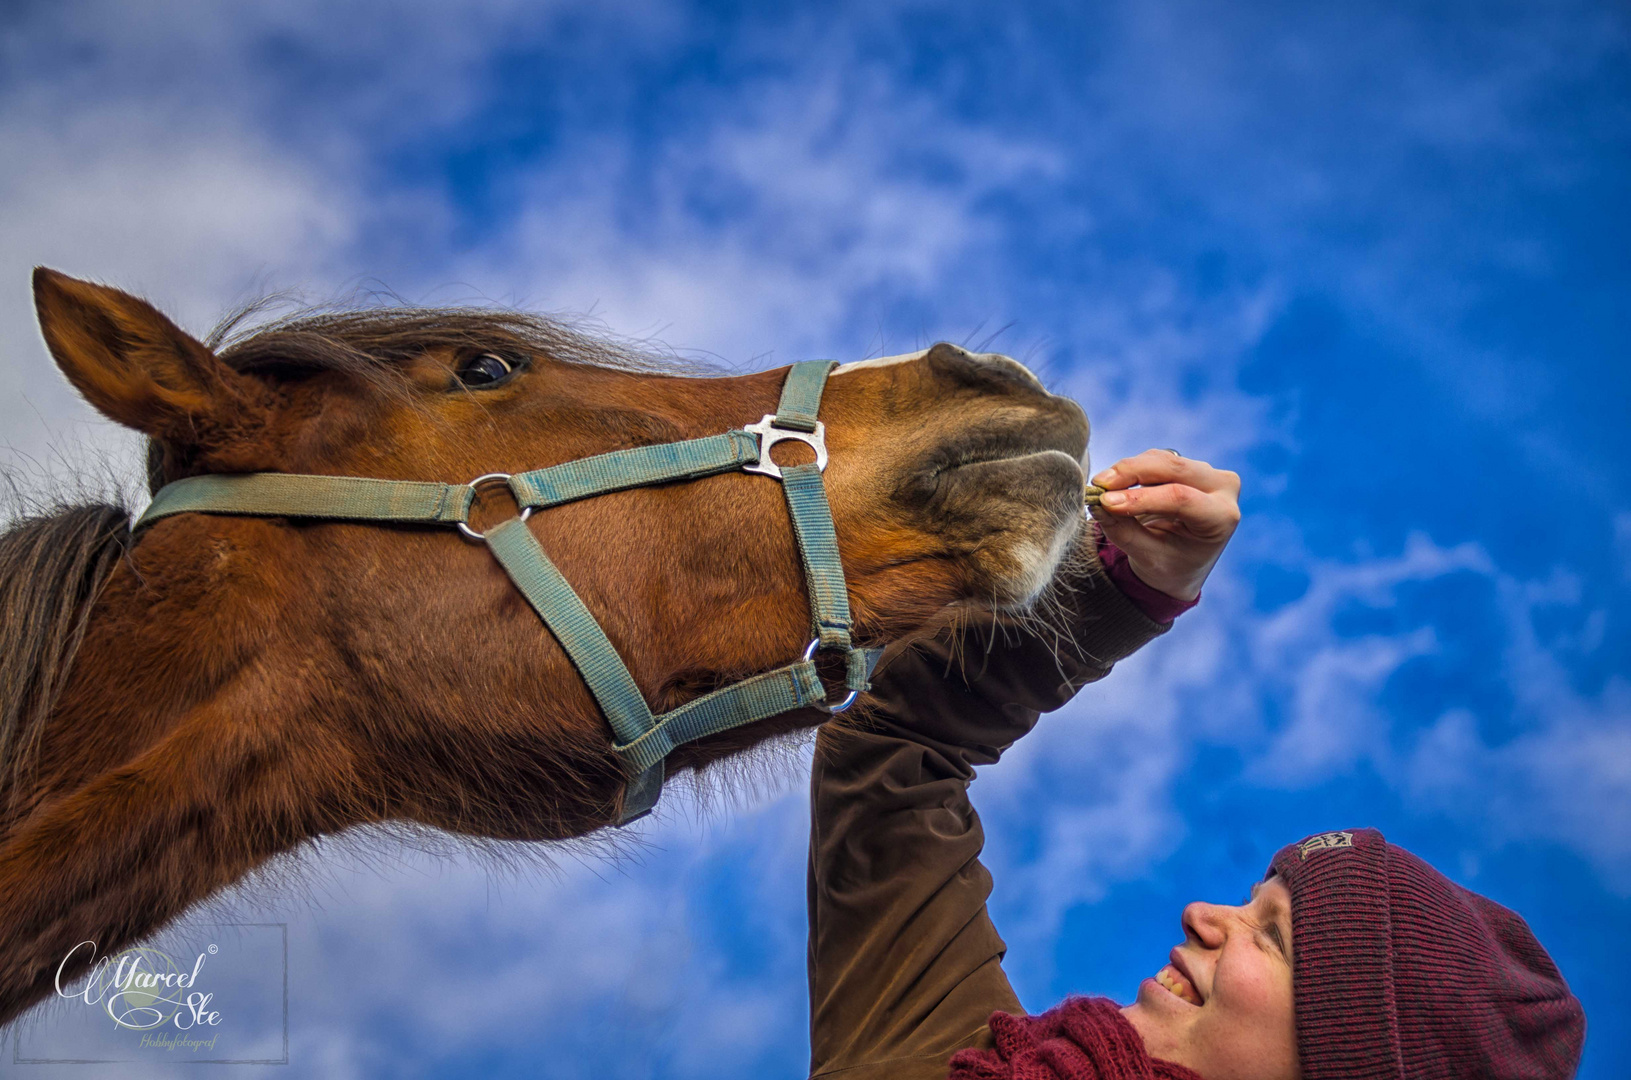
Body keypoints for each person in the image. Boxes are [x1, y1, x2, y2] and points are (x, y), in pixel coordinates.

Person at [806, 450, 1585, 1080]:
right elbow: (897, 753)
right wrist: (1124, 582)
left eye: (1273, 939)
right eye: (1254, 904)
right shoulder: (945, 1053)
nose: (1201, 916)